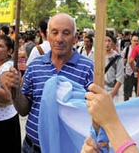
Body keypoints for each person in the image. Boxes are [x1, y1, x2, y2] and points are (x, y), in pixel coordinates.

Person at [5, 13, 94, 153]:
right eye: (55, 32)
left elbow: (93, 113)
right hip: (31, 148)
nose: (59, 39)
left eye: (66, 33)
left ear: (76, 37)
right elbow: (23, 110)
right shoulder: (35, 66)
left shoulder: (88, 68)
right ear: (47, 35)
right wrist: (15, 90)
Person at [0, 35, 21, 152]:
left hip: (2, 124)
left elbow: (8, 96)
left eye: (1, 46)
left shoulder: (6, 68)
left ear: (9, 51)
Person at [105, 31, 124, 102]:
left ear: (112, 43)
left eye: (109, 41)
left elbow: (120, 79)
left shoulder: (117, 58)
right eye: (105, 41)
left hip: (112, 92)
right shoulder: (98, 56)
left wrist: (112, 95)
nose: (107, 43)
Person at [122, 34, 139, 101]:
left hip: (138, 74)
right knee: (126, 94)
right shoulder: (126, 50)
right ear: (131, 41)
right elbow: (121, 62)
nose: (136, 42)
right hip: (128, 74)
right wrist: (123, 72)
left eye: (137, 41)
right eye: (134, 41)